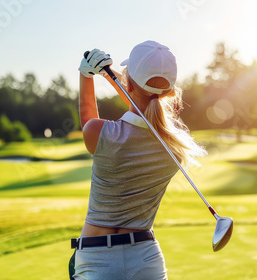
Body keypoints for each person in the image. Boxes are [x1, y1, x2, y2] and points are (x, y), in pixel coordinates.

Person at [70, 41, 207, 280]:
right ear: (172, 92)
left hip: (96, 258)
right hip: (146, 260)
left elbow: (88, 117)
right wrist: (114, 78)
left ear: (128, 84)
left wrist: (87, 75)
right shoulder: (175, 147)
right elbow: (147, 108)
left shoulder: (101, 133)